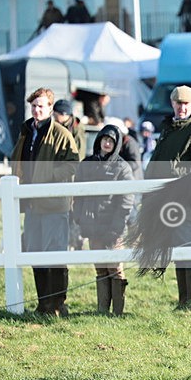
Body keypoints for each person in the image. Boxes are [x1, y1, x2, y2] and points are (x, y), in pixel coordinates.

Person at [11, 88, 79, 316]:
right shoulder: (26, 132)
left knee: (55, 254)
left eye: (41, 106)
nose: (36, 110)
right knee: (34, 253)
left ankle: (58, 303)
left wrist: (48, 176)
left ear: (50, 107)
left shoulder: (61, 133)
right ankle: (43, 304)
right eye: (33, 106)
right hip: (31, 203)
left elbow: (73, 163)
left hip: (54, 204)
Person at [146, 85, 191, 305]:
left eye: (186, 104)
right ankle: (184, 298)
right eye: (178, 103)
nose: (182, 108)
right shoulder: (168, 127)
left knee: (187, 247)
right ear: (172, 103)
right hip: (164, 198)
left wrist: (171, 170)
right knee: (176, 249)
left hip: (185, 200)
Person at [73, 125, 134, 315]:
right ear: (99, 140)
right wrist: (79, 218)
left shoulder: (122, 167)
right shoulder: (86, 164)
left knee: (114, 268)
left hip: (114, 228)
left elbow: (126, 201)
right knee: (100, 268)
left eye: (111, 141)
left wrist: (117, 227)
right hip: (92, 226)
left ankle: (117, 312)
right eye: (104, 139)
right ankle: (102, 310)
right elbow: (77, 194)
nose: (107, 143)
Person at [53, 99, 86, 250]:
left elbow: (79, 154)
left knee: (73, 210)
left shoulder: (77, 129)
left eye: (57, 115)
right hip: (59, 174)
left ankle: (76, 241)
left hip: (73, 175)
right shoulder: (54, 127)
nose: (55, 117)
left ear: (65, 114)